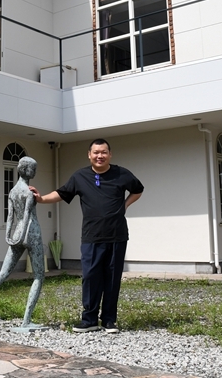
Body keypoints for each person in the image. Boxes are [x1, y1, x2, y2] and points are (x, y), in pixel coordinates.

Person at [31, 139, 143, 334]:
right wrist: (41, 199)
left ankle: (109, 320)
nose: (100, 156)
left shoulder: (121, 174)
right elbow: (62, 193)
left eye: (104, 152)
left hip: (117, 236)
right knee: (90, 277)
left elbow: (138, 189)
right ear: (89, 155)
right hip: (91, 236)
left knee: (112, 278)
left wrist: (124, 205)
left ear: (110, 154)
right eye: (96, 152)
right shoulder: (80, 176)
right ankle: (89, 319)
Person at [0, 156, 45, 328]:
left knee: (3, 273)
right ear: (26, 169)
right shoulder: (28, 192)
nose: (35, 172)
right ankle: (26, 320)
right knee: (39, 276)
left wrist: (9, 236)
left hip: (17, 233)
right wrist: (23, 235)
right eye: (33, 168)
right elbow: (27, 214)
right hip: (31, 232)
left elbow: (10, 217)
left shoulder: (12, 191)